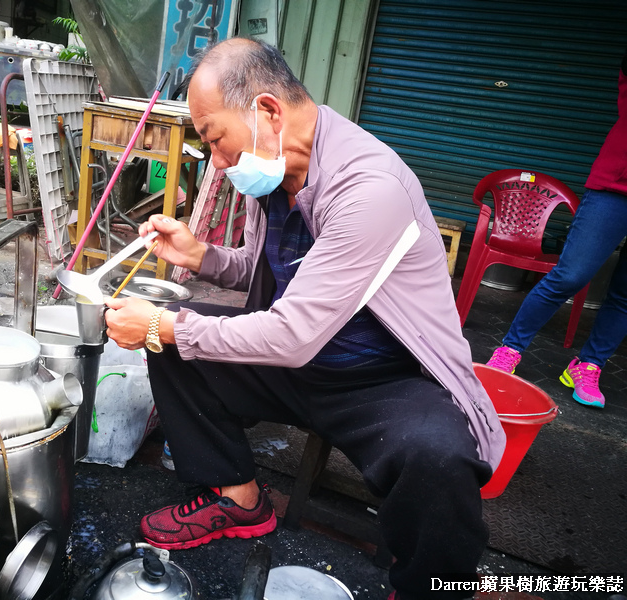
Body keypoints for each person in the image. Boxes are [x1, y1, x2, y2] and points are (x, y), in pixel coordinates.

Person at [103, 38, 505, 600]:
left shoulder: (368, 190)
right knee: (171, 338)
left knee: (438, 458)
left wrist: (160, 325)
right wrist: (199, 256)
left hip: (383, 378)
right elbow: (273, 273)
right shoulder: (276, 168)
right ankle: (239, 499)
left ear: (266, 110)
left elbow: (290, 332)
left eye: (216, 139)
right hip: (301, 361)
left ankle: (427, 587)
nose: (217, 162)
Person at [486, 50, 627, 409]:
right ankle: (510, 349)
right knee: (570, 275)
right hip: (616, 188)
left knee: (626, 296)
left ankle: (589, 364)